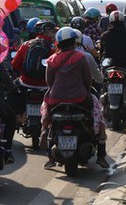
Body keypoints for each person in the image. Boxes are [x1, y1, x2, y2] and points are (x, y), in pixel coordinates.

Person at [42, 27, 108, 169]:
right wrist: (83, 90)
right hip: (80, 99)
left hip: (56, 100)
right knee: (97, 111)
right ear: (74, 42)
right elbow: (87, 80)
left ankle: (47, 148)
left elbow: (49, 81)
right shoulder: (81, 57)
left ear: (58, 44)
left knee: (48, 117)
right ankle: (101, 151)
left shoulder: (52, 59)